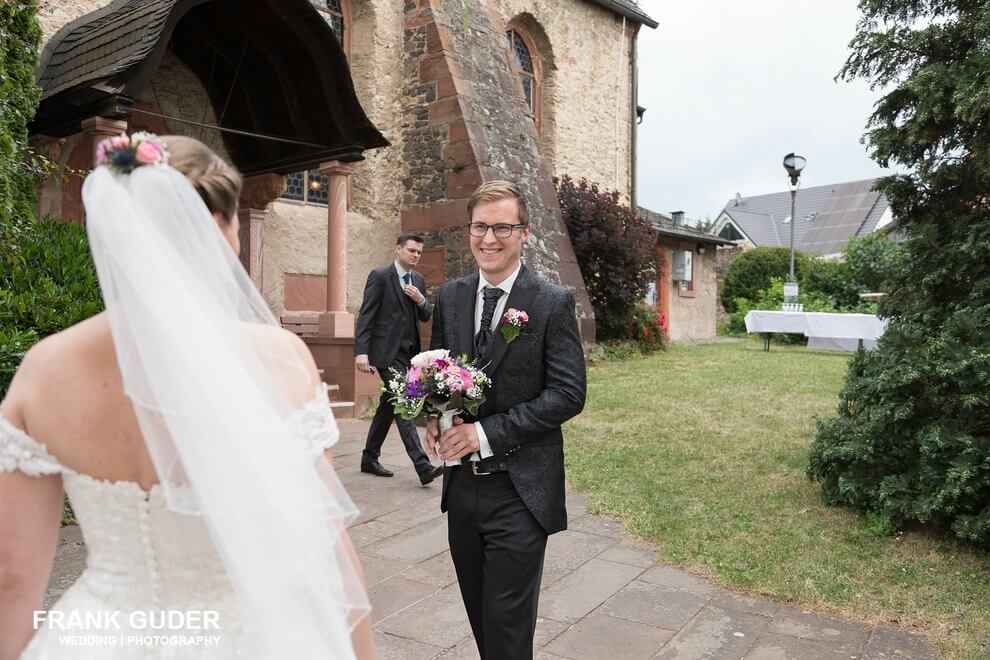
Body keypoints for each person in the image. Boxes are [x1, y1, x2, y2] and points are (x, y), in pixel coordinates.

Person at [0, 134, 375, 659]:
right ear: (223, 230)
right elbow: (327, 551)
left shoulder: (45, 369)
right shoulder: (278, 361)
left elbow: (12, 578)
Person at [425, 181, 586, 659]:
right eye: (480, 226)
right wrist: (433, 417)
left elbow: (567, 394)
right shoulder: (450, 297)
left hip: (520, 488)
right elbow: (438, 373)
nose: (489, 238)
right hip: (462, 491)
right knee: (482, 623)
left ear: (525, 233)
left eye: (501, 227)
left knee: (508, 632)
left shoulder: (550, 302)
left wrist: (482, 434)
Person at [354, 234, 442, 485]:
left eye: (419, 252)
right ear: (398, 250)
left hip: (409, 354)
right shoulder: (380, 276)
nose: (415, 255)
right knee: (404, 401)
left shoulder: (419, 280)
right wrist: (362, 352)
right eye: (411, 250)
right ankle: (422, 465)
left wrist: (420, 299)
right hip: (384, 353)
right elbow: (366, 315)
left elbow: (426, 316)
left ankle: (369, 458)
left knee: (389, 404)